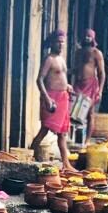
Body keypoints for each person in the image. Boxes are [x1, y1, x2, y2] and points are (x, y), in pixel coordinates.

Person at [30, 29, 76, 171]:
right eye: (58, 42)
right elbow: (40, 80)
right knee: (44, 130)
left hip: (63, 98)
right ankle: (32, 156)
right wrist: (46, 98)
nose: (61, 45)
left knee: (62, 133)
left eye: (63, 42)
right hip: (51, 99)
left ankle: (66, 164)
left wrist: (67, 86)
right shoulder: (49, 59)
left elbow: (59, 78)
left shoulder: (61, 59)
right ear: (52, 43)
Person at [72, 28, 105, 142]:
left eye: (89, 36)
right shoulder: (78, 52)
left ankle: (87, 141)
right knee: (73, 111)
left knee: (90, 113)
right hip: (78, 84)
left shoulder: (96, 53)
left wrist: (100, 90)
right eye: (85, 36)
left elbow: (102, 73)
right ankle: (73, 138)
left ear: (93, 38)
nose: (87, 38)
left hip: (91, 85)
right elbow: (76, 69)